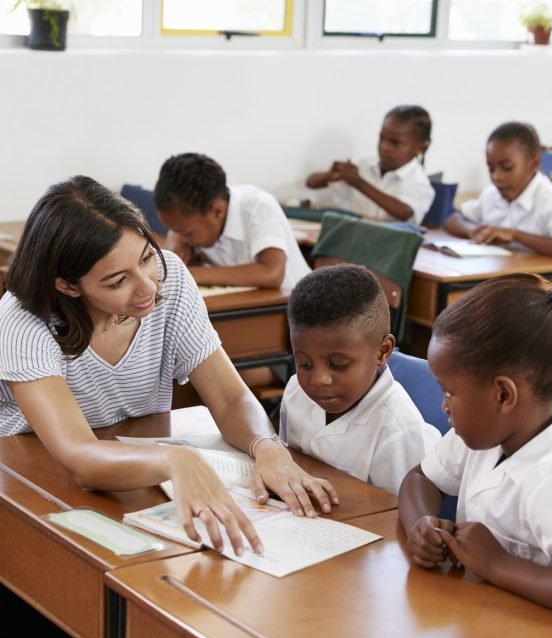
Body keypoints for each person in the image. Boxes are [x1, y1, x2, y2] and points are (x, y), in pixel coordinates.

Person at [0, 176, 338, 556]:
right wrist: (175, 459)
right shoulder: (24, 320)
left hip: (137, 477)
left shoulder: (172, 276)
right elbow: (79, 454)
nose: (147, 287)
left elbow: (228, 397)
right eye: (116, 282)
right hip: (35, 482)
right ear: (67, 286)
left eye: (146, 257)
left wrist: (267, 447)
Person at [398, 273, 552, 627]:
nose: (444, 406)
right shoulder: (490, 430)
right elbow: (421, 479)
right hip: (481, 618)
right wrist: (420, 523)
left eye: (450, 392)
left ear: (503, 395)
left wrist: (497, 565)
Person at [280, 264, 440, 494]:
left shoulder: (399, 432)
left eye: (338, 365)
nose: (319, 379)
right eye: (305, 364)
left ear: (383, 351)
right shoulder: (296, 391)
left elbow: (399, 518)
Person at [154, 153, 310, 291]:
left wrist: (189, 274)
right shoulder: (196, 219)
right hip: (246, 303)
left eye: (185, 233)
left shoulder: (258, 206)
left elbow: (272, 273)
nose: (181, 238)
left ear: (217, 211)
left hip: (292, 306)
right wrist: (175, 241)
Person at [445, 122, 552, 261]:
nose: (497, 177)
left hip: (538, 279)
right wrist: (473, 231)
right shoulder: (491, 194)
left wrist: (515, 235)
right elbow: (453, 219)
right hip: (497, 274)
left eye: (507, 168)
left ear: (533, 163)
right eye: (491, 169)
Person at [306, 105, 435, 224]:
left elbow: (404, 212)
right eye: (382, 138)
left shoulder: (419, 183)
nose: (384, 147)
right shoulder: (363, 167)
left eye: (396, 143)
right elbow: (310, 183)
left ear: (421, 148)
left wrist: (359, 183)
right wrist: (329, 174)